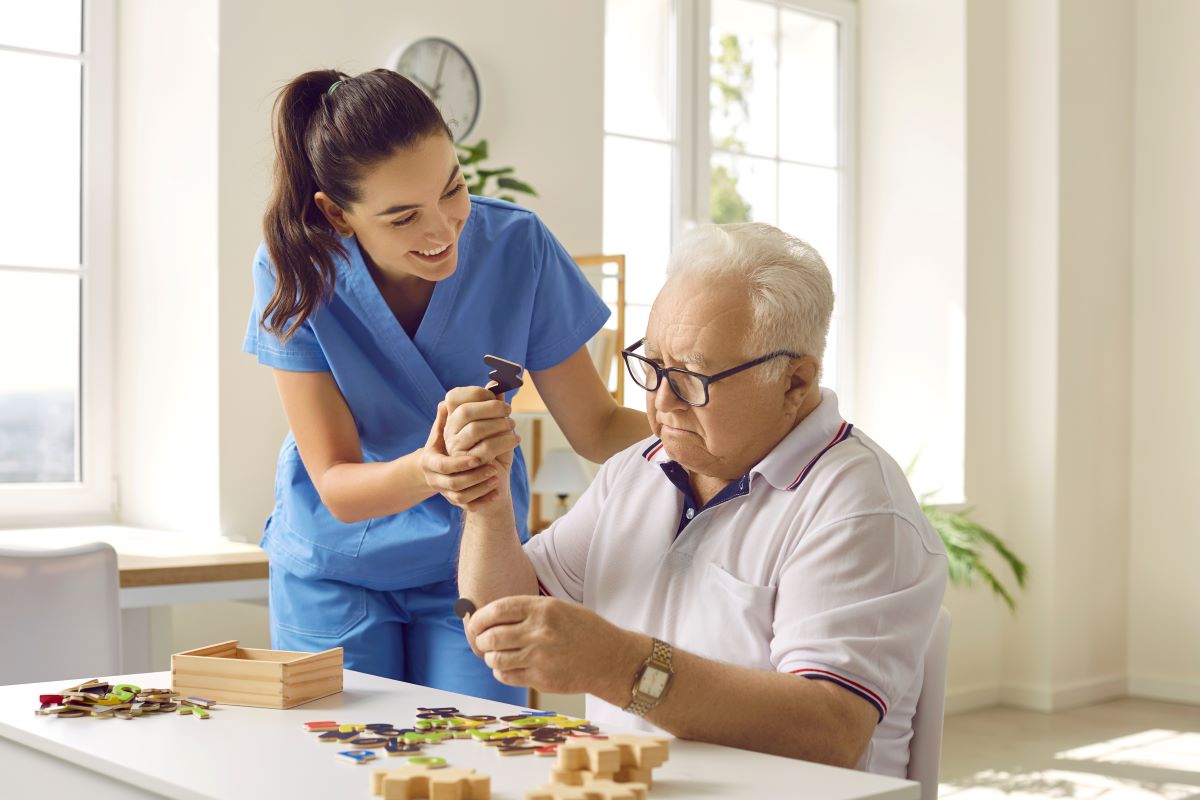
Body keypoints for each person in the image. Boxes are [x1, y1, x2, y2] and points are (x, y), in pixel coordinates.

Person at [450, 222, 947, 774]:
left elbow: (829, 732)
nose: (660, 402)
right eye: (653, 366)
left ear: (794, 382)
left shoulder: (857, 506)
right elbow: (495, 618)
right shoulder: (638, 470)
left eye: (691, 376)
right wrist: (487, 503)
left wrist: (619, 665)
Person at [242, 68, 649, 703]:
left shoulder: (518, 247)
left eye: (452, 189)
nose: (441, 231)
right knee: (339, 770)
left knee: (479, 762)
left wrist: (716, 426)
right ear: (337, 215)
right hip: (336, 566)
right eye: (403, 217)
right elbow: (338, 486)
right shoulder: (295, 268)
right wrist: (432, 471)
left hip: (474, 566)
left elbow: (597, 430)